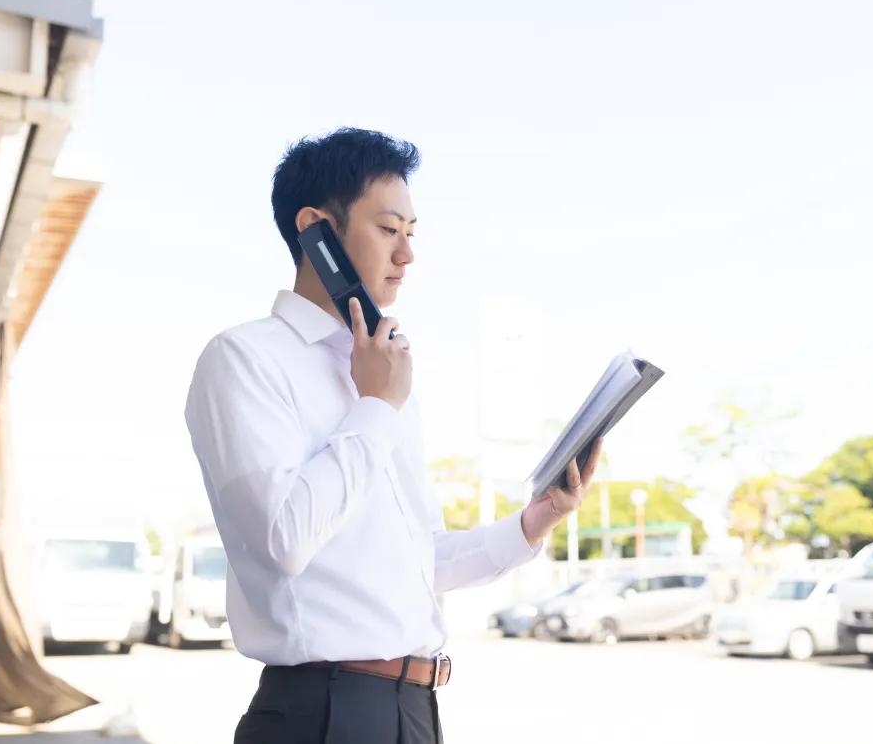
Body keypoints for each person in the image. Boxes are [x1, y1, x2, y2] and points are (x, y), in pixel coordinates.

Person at [184, 127, 603, 743]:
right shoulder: (245, 358)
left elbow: (419, 559)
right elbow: (282, 539)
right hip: (322, 711)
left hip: (413, 710)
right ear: (315, 230)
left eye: (411, 233)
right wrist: (377, 405)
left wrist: (534, 522)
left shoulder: (386, 373)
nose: (406, 256)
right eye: (388, 229)